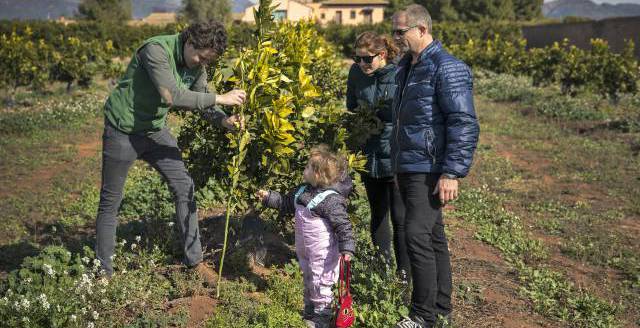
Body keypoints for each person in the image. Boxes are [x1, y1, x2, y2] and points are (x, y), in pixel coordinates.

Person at [95, 21, 247, 286]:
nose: (201, 63)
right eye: (199, 56)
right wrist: (220, 98)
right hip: (122, 130)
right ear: (189, 42)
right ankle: (103, 274)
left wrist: (224, 121)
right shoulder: (156, 50)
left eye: (206, 60)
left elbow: (201, 99)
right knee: (111, 202)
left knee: (184, 186)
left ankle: (195, 261)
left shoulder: (197, 65)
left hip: (154, 131)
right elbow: (171, 95)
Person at [390, 4, 480, 328]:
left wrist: (452, 172)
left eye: (401, 32)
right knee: (433, 235)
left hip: (428, 166)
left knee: (415, 235)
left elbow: (463, 122)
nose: (395, 38)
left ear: (422, 30)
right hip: (409, 163)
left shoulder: (446, 67)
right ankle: (440, 306)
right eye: (394, 31)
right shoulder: (406, 68)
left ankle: (422, 316)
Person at [256, 145, 355, 328]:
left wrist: (347, 247)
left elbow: (343, 225)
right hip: (305, 249)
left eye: (308, 167)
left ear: (318, 174)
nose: (305, 169)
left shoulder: (331, 200)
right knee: (308, 278)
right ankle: (310, 310)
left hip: (322, 253)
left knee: (320, 281)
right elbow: (285, 203)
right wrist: (268, 197)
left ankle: (322, 317)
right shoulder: (302, 191)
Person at [346, 31, 409, 282]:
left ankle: (404, 273)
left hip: (395, 154)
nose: (362, 64)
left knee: (401, 217)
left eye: (367, 59)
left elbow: (406, 114)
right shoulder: (356, 73)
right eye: (357, 58)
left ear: (382, 55)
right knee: (378, 213)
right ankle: (382, 270)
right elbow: (351, 105)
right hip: (369, 152)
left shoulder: (399, 75)